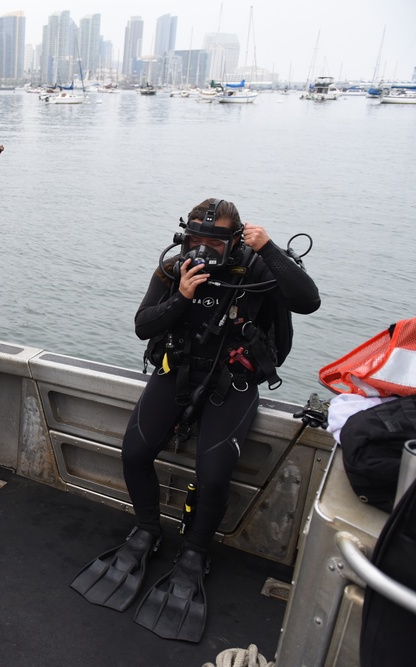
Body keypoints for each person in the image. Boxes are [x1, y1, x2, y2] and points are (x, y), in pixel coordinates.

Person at [71, 198, 320, 643]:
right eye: (195, 239)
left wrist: (270, 250)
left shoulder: (258, 272)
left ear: (236, 239)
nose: (202, 249)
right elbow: (143, 326)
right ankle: (147, 530)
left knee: (214, 473)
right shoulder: (175, 268)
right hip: (180, 368)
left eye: (215, 242)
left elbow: (308, 301)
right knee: (135, 451)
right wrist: (182, 297)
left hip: (233, 381)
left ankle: (194, 553)